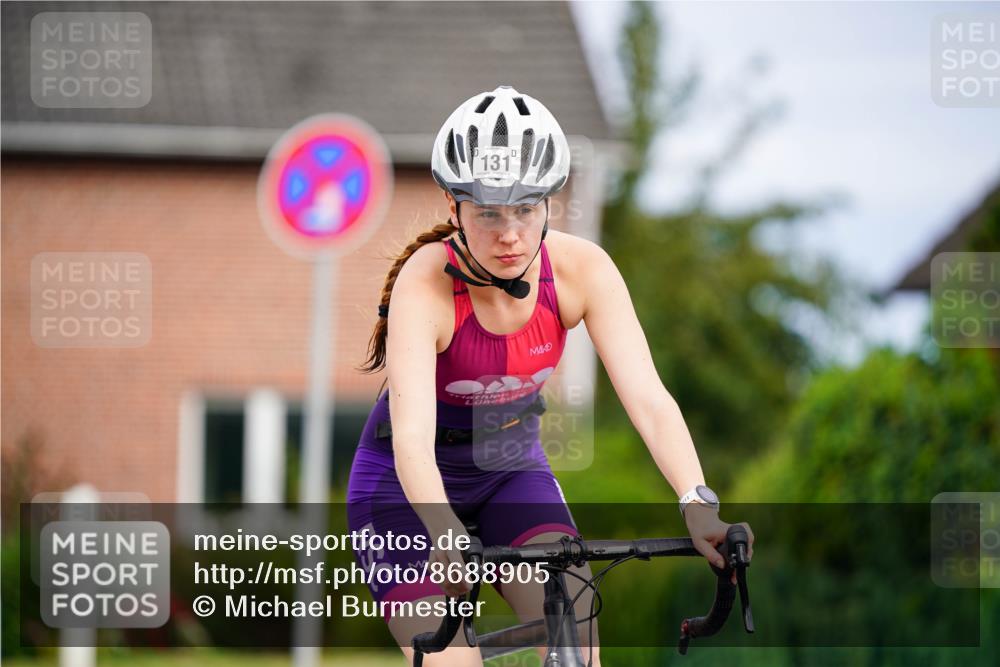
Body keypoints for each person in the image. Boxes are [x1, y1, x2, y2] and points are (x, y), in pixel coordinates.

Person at [347, 85, 754, 667]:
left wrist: (697, 501)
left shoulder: (582, 270)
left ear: (550, 203)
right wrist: (443, 533)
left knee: (577, 646)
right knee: (449, 660)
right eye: (488, 212)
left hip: (510, 471)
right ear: (452, 204)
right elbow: (412, 438)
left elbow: (648, 397)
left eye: (527, 208)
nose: (509, 233)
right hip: (401, 492)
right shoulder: (426, 283)